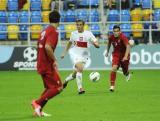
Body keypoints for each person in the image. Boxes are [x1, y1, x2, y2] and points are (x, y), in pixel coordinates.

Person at [31, 10, 63, 117]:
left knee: (50, 88)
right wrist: (54, 60)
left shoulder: (44, 31)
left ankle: (38, 110)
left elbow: (38, 46)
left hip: (41, 62)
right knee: (58, 87)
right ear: (59, 20)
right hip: (47, 64)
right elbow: (48, 47)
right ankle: (37, 103)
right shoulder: (53, 31)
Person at [61, 19, 99, 94]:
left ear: (83, 25)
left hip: (84, 56)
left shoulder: (88, 34)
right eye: (77, 25)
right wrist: (64, 52)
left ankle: (65, 81)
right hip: (74, 53)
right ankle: (80, 88)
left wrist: (95, 44)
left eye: (80, 25)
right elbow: (69, 43)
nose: (78, 26)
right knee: (80, 68)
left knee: (75, 73)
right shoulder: (73, 34)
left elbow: (97, 44)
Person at [105, 25, 131, 92]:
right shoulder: (111, 37)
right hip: (116, 54)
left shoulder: (123, 37)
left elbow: (128, 46)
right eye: (114, 31)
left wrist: (125, 56)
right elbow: (109, 44)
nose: (116, 32)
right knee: (114, 68)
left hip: (124, 54)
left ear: (120, 31)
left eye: (117, 31)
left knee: (125, 71)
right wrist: (107, 51)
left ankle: (127, 74)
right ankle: (112, 86)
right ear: (113, 31)